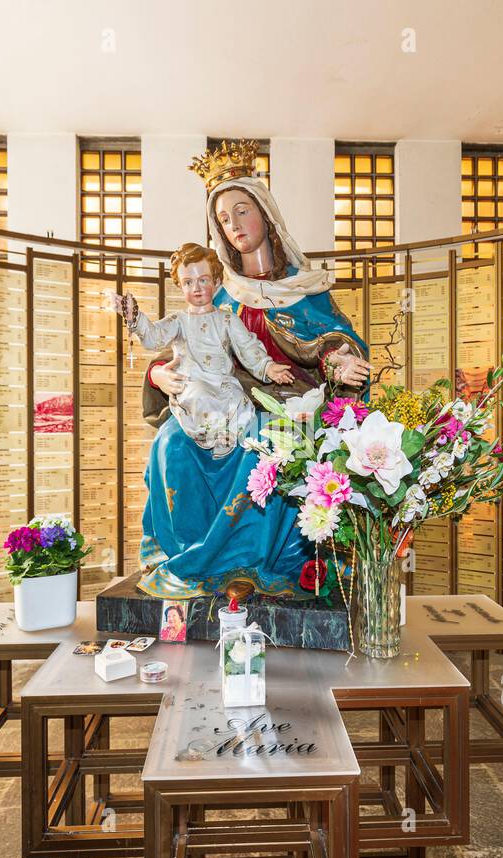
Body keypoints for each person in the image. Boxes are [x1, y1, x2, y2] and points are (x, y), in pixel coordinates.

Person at [133, 140, 372, 600]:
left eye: (242, 211)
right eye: (224, 218)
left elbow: (328, 342)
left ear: (265, 213)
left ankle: (261, 561)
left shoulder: (305, 291)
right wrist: (156, 377)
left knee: (268, 444)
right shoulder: (217, 293)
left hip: (286, 408)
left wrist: (337, 360)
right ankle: (190, 560)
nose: (234, 225)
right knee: (170, 444)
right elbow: (178, 349)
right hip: (214, 407)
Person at [116, 242, 293, 459]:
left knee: (237, 398)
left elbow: (248, 346)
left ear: (217, 282)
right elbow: (154, 337)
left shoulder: (227, 319)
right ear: (180, 286)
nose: (197, 288)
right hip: (193, 382)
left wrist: (267, 366)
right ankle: (212, 437)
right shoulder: (178, 321)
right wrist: (135, 318)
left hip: (222, 382)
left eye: (203, 280)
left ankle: (229, 438)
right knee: (200, 395)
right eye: (188, 282)